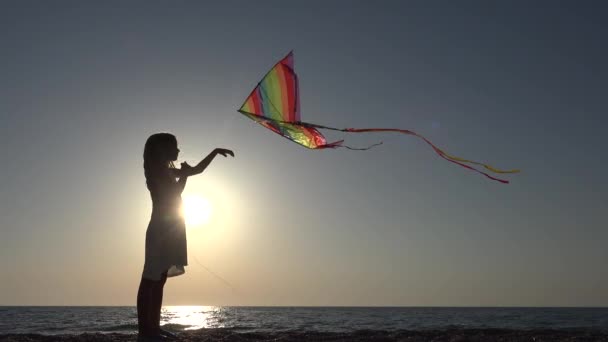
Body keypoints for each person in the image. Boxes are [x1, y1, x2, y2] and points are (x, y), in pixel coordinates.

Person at [137, 133, 233, 340]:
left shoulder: (168, 171)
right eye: (175, 146)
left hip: (173, 228)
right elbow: (173, 192)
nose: (179, 150)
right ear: (162, 149)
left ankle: (153, 326)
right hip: (160, 229)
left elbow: (193, 173)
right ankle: (145, 331)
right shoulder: (155, 171)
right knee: (150, 278)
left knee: (160, 278)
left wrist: (214, 153)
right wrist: (186, 174)